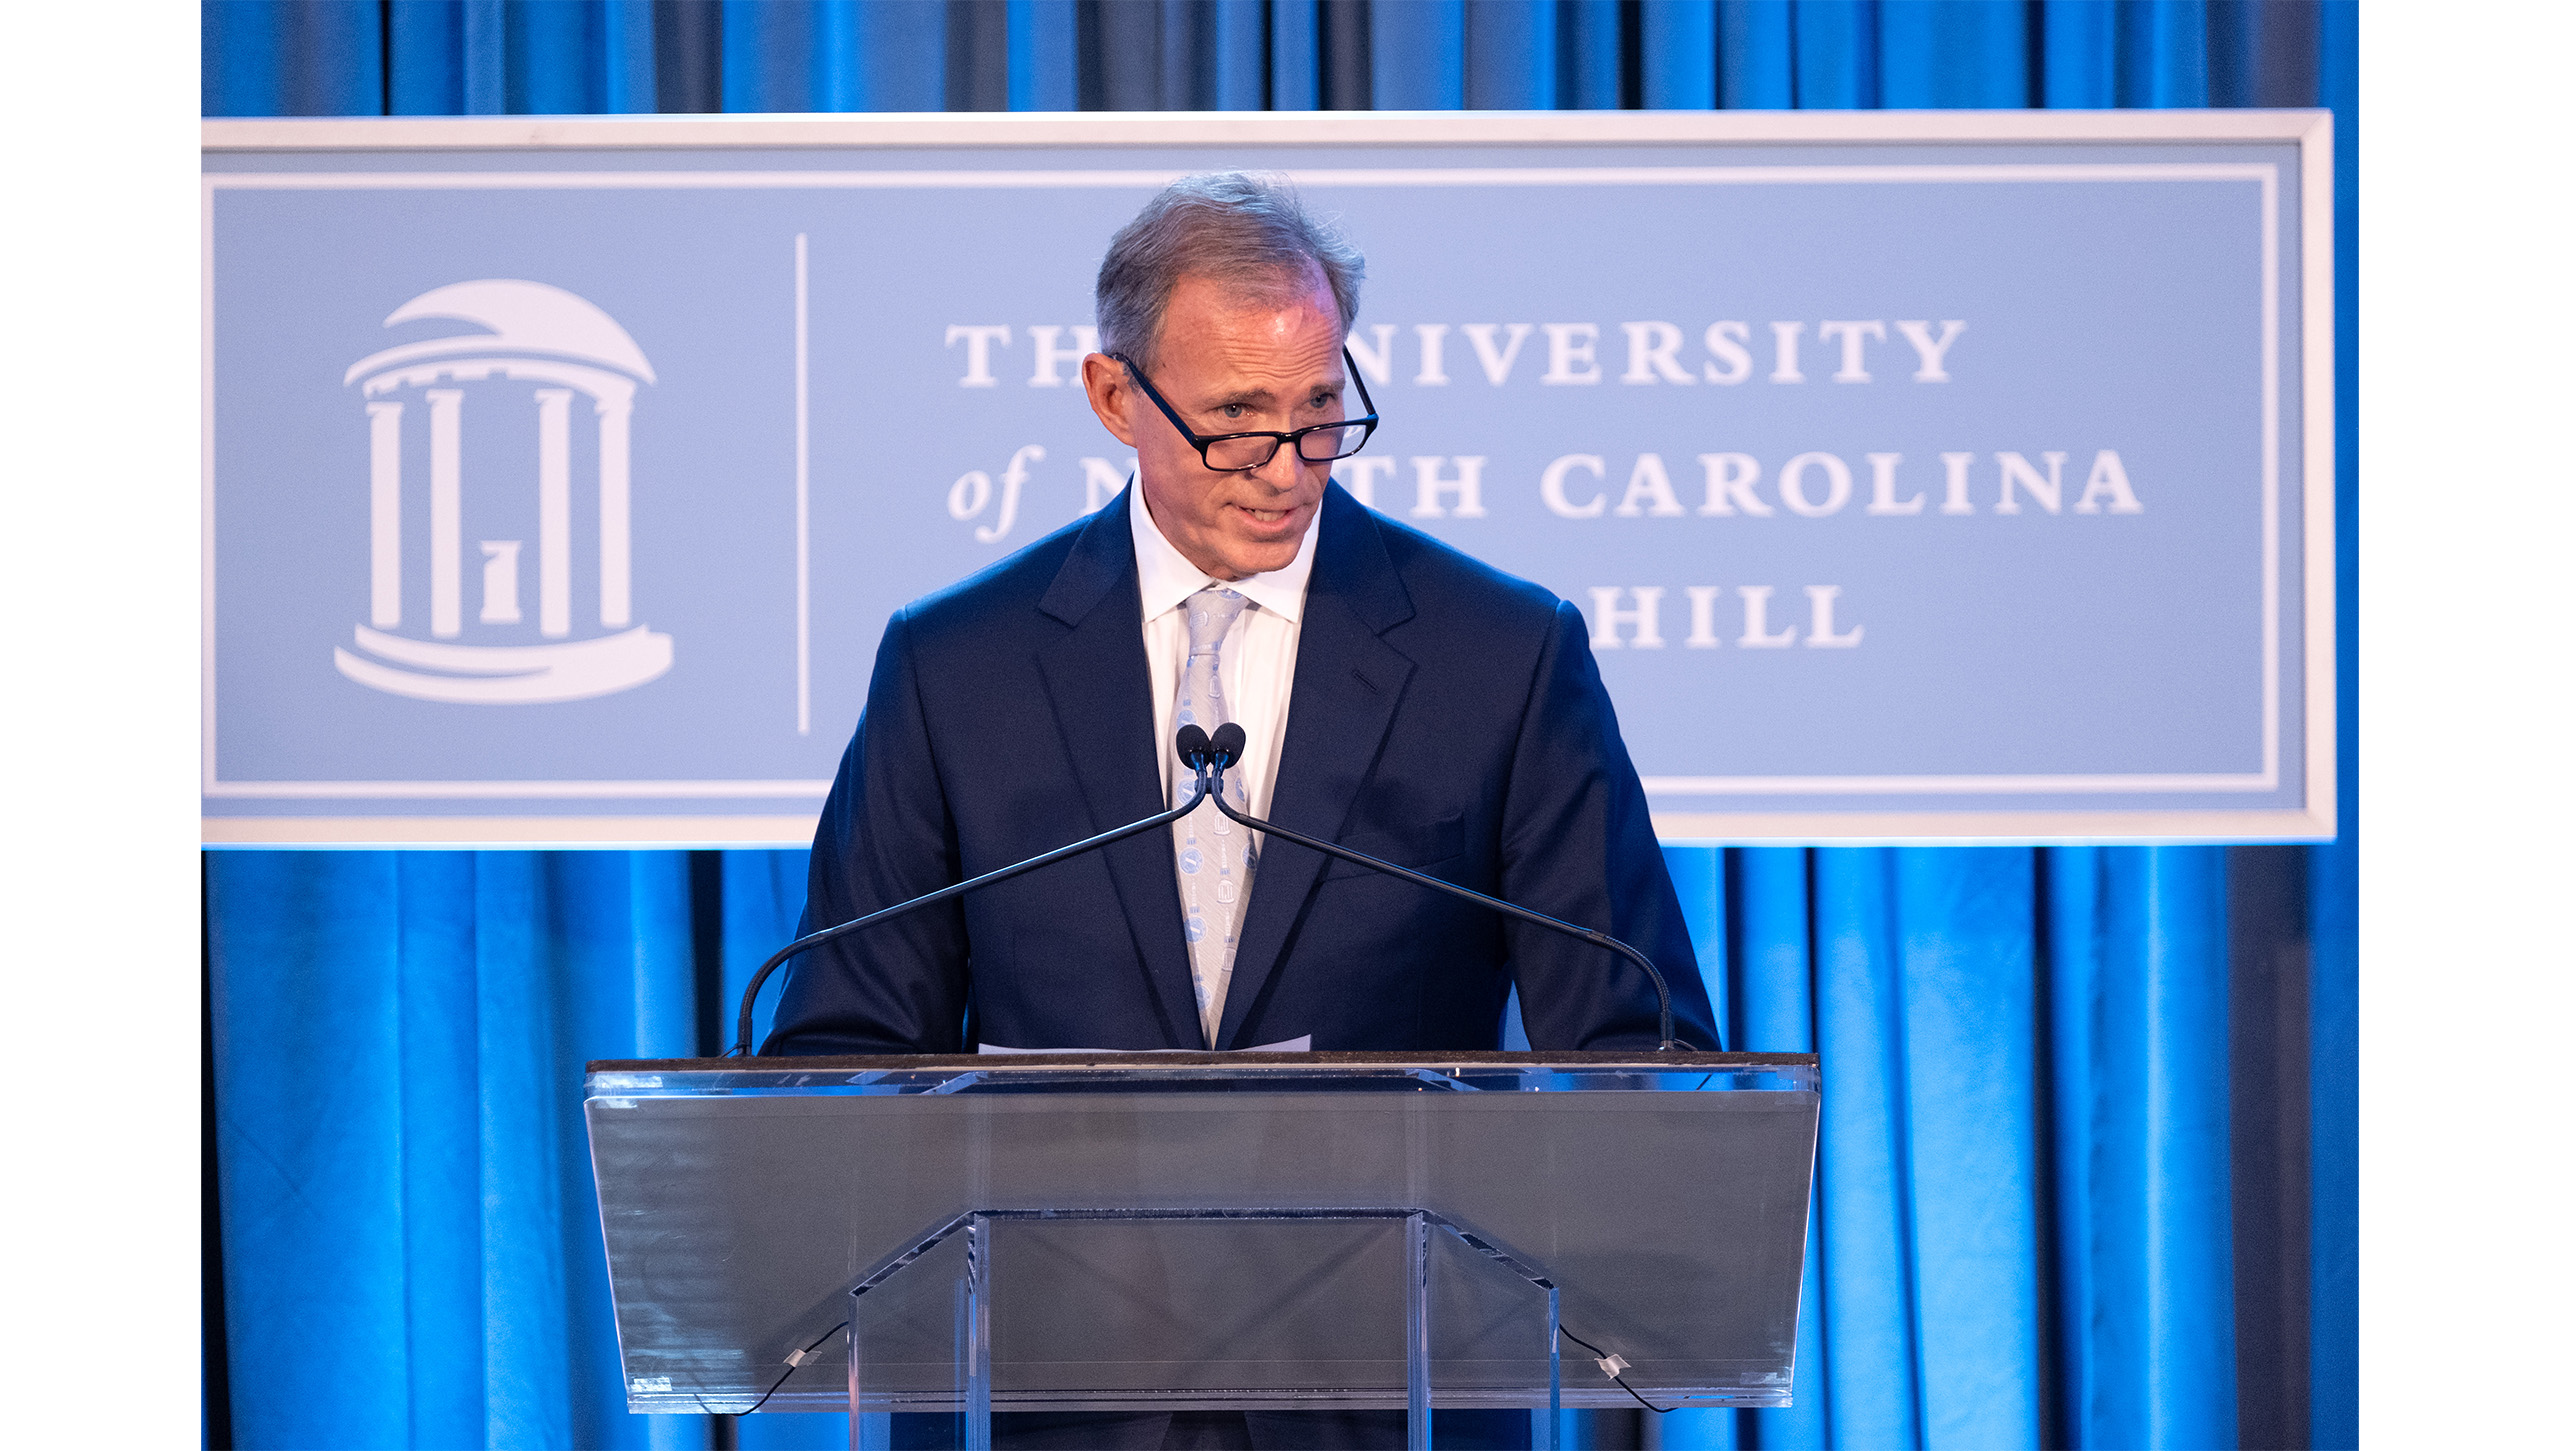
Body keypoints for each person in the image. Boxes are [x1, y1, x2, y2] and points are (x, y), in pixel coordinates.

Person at [767, 172, 1718, 1449]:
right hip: (1041, 1394)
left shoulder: (1501, 655)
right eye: (1235, 420)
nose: (1286, 468)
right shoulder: (958, 665)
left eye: (1321, 413)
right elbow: (845, 1050)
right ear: (1114, 398)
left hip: (1392, 1390)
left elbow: (1634, 1039)